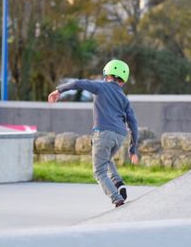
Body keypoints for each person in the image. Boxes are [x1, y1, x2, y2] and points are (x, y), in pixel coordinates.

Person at [48, 59, 139, 208]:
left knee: (99, 171)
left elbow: (79, 83)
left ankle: (117, 199)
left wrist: (59, 90)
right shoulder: (124, 98)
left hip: (103, 133)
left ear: (107, 75)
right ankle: (118, 182)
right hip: (120, 135)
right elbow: (134, 123)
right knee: (106, 157)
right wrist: (133, 149)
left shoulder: (101, 86)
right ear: (123, 81)